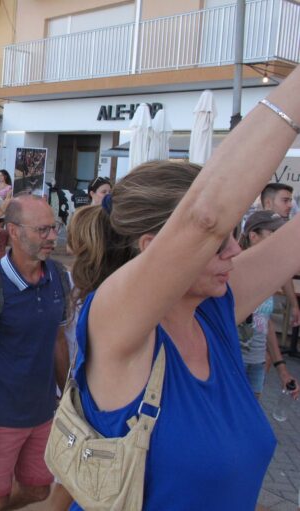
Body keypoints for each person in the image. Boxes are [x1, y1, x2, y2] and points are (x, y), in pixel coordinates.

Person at [65, 68, 300, 510]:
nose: (234, 249)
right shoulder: (117, 323)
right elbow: (205, 215)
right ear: (153, 248)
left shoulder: (211, 309)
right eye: (218, 241)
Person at [0, 194, 69, 511]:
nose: (52, 237)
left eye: (54, 227)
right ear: (14, 231)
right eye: (43, 230)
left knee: (38, 490)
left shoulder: (58, 277)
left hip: (42, 411)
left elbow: (58, 340)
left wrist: (68, 396)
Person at [238, 211, 299, 400]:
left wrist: (282, 369)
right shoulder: (235, 272)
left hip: (256, 362)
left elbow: (265, 323)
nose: (278, 242)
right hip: (234, 363)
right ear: (253, 236)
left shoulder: (267, 274)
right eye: (272, 234)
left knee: (249, 421)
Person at [258, 183, 300, 326]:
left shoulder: (279, 229)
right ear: (269, 203)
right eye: (285, 200)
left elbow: (283, 272)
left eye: (290, 200)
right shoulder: (258, 227)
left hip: (262, 307)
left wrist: (294, 304)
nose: (289, 205)